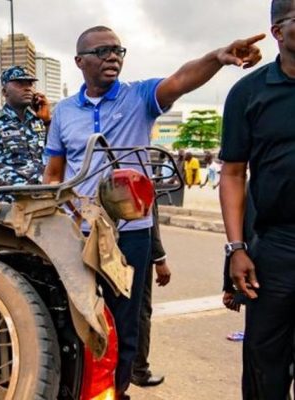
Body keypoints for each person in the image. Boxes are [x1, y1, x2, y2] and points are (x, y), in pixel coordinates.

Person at [43, 25, 263, 398]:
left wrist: (217, 57)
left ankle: (117, 390)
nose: (113, 57)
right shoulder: (63, 112)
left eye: (118, 50)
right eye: (102, 51)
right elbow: (53, 176)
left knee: (125, 322)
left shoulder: (139, 97)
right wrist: (62, 211)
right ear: (80, 61)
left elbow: (180, 79)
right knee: (75, 317)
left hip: (131, 234)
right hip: (77, 235)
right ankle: (76, 388)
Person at [219, 1, 295, 397]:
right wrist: (236, 249)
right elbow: (233, 174)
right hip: (275, 248)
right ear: (278, 32)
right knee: (266, 368)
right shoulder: (248, 93)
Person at [0, 66, 51, 204]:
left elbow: (55, 154)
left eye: (30, 84)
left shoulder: (39, 121)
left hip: (40, 204)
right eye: (20, 84)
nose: (28, 88)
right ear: (4, 91)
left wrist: (47, 120)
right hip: (7, 209)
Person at [131, 205, 171, 387]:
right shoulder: (139, 176)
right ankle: (138, 370)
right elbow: (148, 217)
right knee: (139, 310)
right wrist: (160, 258)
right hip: (133, 243)